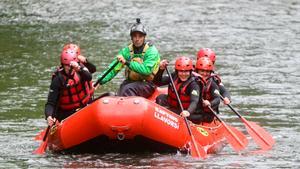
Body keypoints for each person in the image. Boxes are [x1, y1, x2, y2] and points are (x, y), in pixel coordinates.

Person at [95, 18, 161, 98]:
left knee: (128, 89)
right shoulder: (127, 51)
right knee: (122, 89)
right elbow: (114, 69)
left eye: (140, 36)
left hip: (148, 84)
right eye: (134, 36)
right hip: (131, 82)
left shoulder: (151, 51)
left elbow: (146, 70)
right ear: (131, 38)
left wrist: (127, 62)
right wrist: (99, 81)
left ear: (144, 37)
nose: (137, 39)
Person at [44, 48, 93, 126]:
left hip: (83, 107)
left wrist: (79, 68)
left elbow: (89, 77)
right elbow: (50, 103)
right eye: (66, 65)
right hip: (67, 113)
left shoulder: (80, 69)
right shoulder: (57, 79)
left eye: (71, 65)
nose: (69, 68)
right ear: (63, 65)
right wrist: (48, 116)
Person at [194, 57, 220, 123]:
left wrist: (210, 103)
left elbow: (217, 99)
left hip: (205, 114)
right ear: (197, 71)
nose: (205, 74)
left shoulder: (212, 84)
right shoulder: (191, 80)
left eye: (207, 71)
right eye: (202, 71)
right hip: (192, 110)